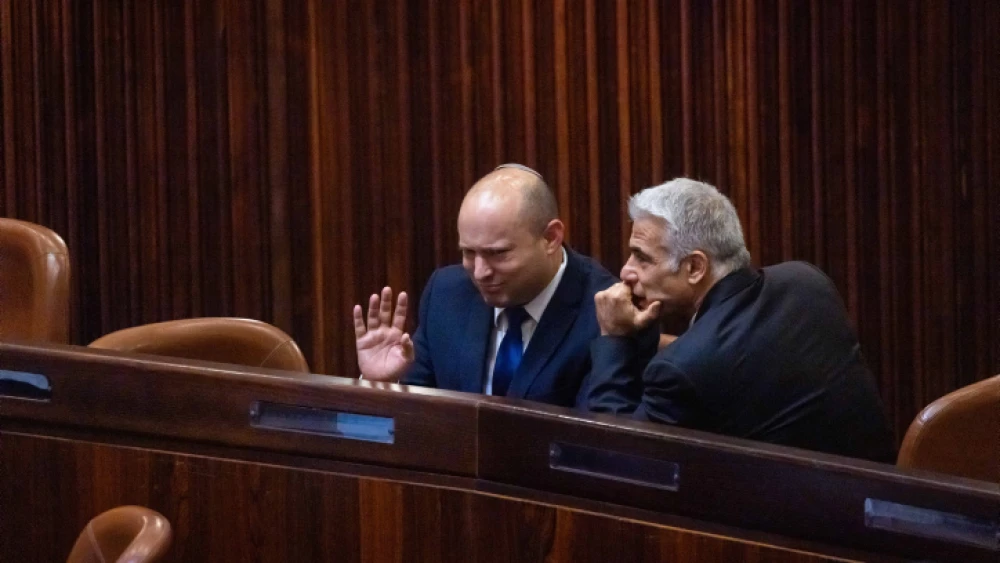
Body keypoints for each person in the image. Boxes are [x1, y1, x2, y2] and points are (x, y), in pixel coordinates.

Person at [584, 178, 896, 462]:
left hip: (793, 519)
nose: (626, 272)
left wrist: (615, 338)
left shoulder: (683, 369)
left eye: (643, 258)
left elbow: (617, 454)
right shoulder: (807, 283)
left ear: (695, 267)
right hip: (877, 494)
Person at [352, 164, 655, 407]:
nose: (480, 272)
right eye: (469, 252)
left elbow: (601, 443)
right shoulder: (447, 293)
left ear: (551, 238)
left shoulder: (611, 317)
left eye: (498, 253)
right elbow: (414, 425)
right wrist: (380, 384)